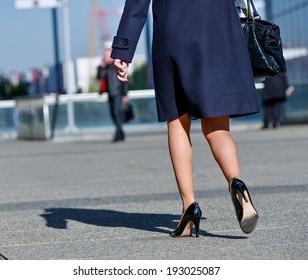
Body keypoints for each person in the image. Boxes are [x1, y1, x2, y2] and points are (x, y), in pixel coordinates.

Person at [111, 0, 259, 236]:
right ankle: (237, 183)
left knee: (177, 121)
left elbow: (137, 3)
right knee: (218, 126)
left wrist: (123, 50)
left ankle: (189, 208)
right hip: (219, 31)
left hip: (174, 33)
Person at [97, 43, 129, 142]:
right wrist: (101, 65)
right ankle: (121, 133)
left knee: (116, 113)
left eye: (106, 54)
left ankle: (118, 135)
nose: (104, 56)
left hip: (117, 93)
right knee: (113, 113)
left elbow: (124, 80)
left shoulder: (115, 65)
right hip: (110, 93)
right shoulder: (105, 67)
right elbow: (99, 77)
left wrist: (125, 94)